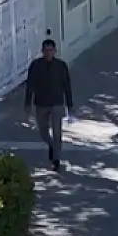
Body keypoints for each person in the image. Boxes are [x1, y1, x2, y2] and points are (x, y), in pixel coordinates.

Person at [23, 38, 74, 171]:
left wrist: (70, 106)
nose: (48, 53)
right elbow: (30, 86)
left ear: (55, 51)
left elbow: (67, 86)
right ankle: (51, 145)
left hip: (57, 103)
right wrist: (28, 103)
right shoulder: (35, 65)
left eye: (51, 50)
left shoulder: (61, 66)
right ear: (42, 51)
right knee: (43, 132)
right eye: (46, 50)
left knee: (57, 132)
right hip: (41, 103)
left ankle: (56, 159)